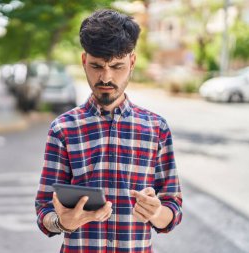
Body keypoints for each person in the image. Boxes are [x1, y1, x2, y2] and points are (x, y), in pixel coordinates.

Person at [35, 9, 182, 253]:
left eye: (117, 66)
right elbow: (44, 208)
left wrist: (156, 212)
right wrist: (61, 222)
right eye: (96, 66)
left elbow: (172, 208)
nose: (106, 77)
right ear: (84, 61)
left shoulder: (157, 128)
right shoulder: (62, 129)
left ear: (132, 62)